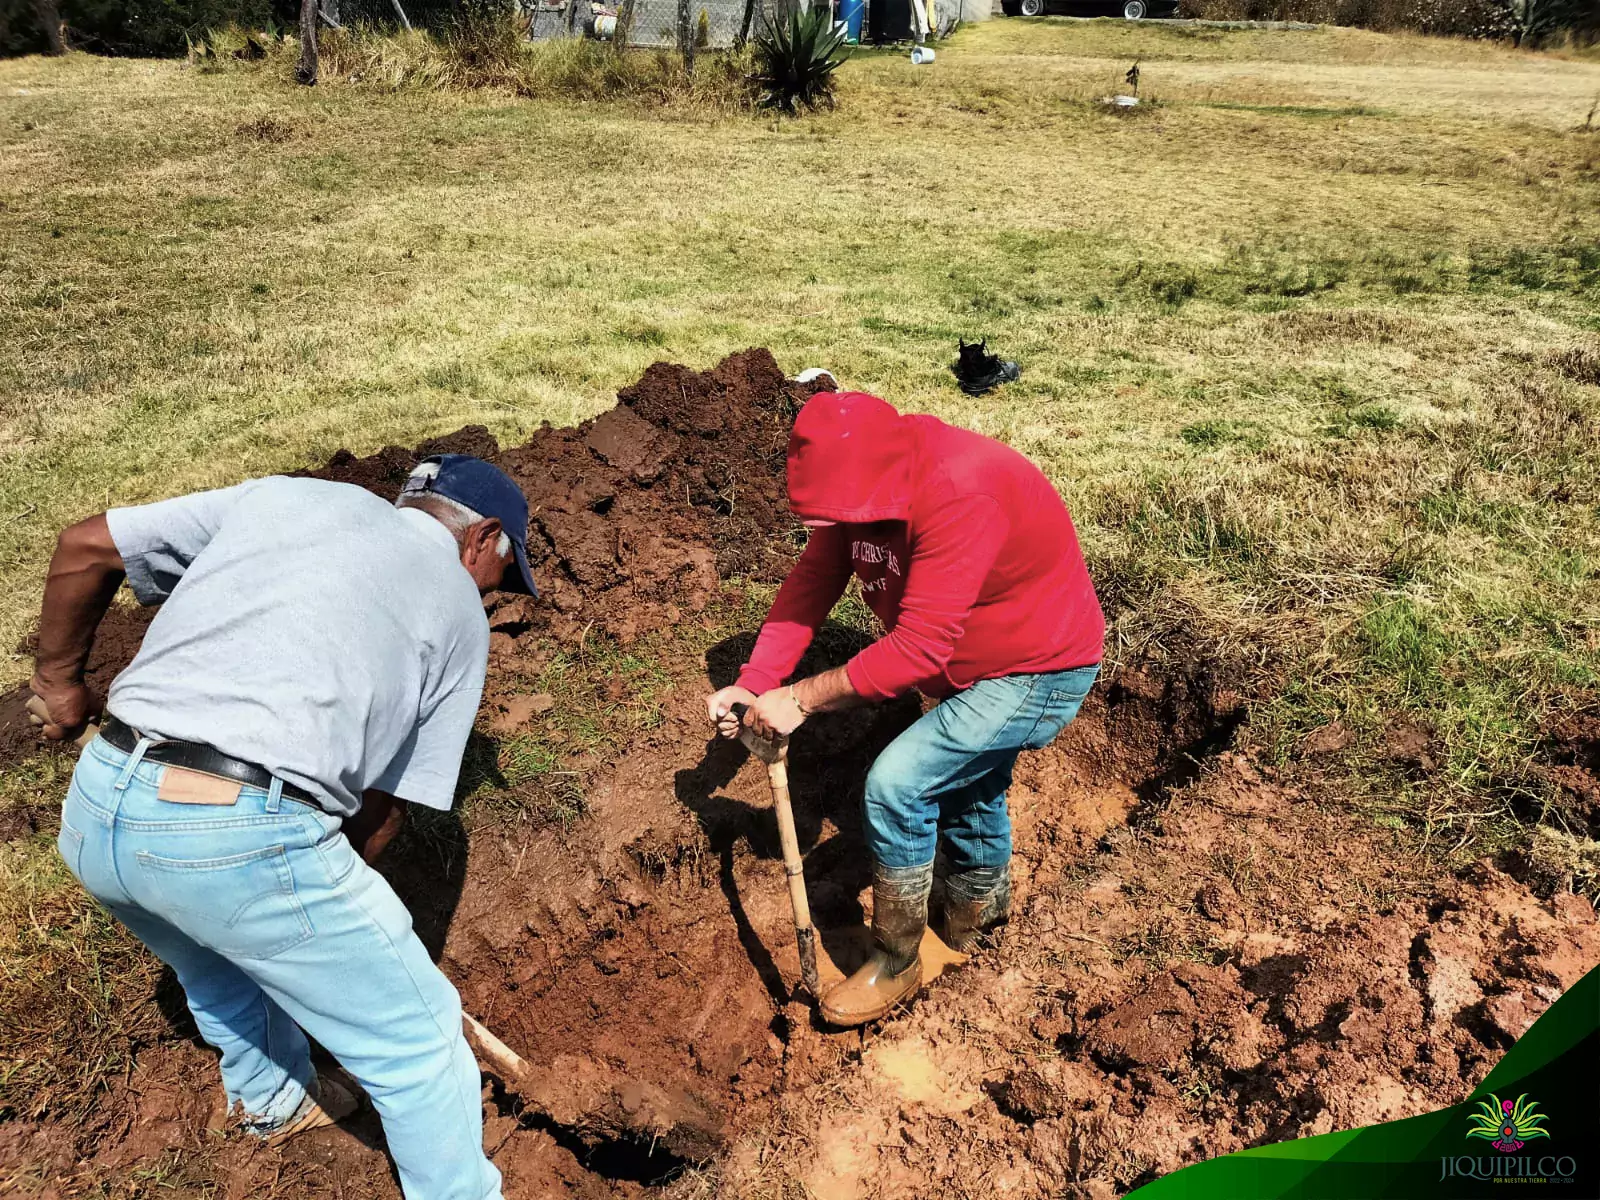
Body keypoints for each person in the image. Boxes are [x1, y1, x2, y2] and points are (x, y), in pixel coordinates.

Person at [28, 455, 539, 1200]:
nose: (495, 595)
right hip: (234, 829)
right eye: (504, 573)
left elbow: (84, 546)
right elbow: (378, 807)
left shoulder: (287, 498)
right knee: (419, 1039)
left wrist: (57, 682)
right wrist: (331, 920)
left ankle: (274, 1104)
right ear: (482, 536)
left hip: (99, 805)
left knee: (214, 964)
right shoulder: (457, 608)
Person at [706, 391, 1104, 1027]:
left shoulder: (961, 491)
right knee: (971, 782)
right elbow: (811, 584)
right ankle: (978, 919)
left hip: (1038, 669)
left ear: (884, 480)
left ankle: (897, 958)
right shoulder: (858, 486)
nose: (841, 531)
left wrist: (801, 698)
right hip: (965, 668)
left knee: (898, 783)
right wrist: (756, 683)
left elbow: (918, 647)